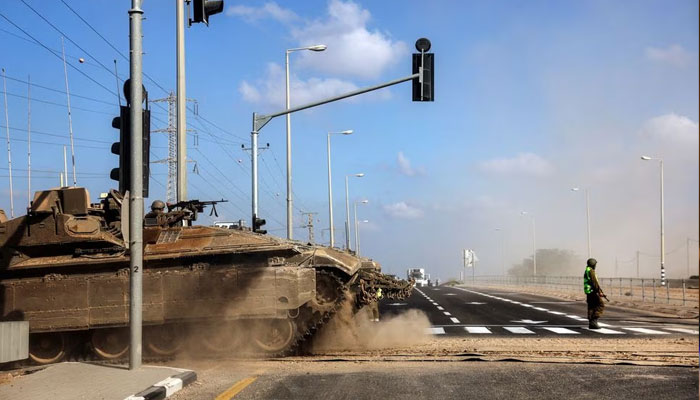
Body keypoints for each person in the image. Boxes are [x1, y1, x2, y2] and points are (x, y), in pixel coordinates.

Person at [583, 258, 607, 329]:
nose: (595, 266)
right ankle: (594, 321)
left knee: (591, 306)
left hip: (589, 291)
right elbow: (594, 282)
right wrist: (599, 291)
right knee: (600, 305)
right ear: (593, 264)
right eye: (595, 264)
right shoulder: (591, 271)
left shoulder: (587, 270)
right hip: (592, 291)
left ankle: (591, 323)